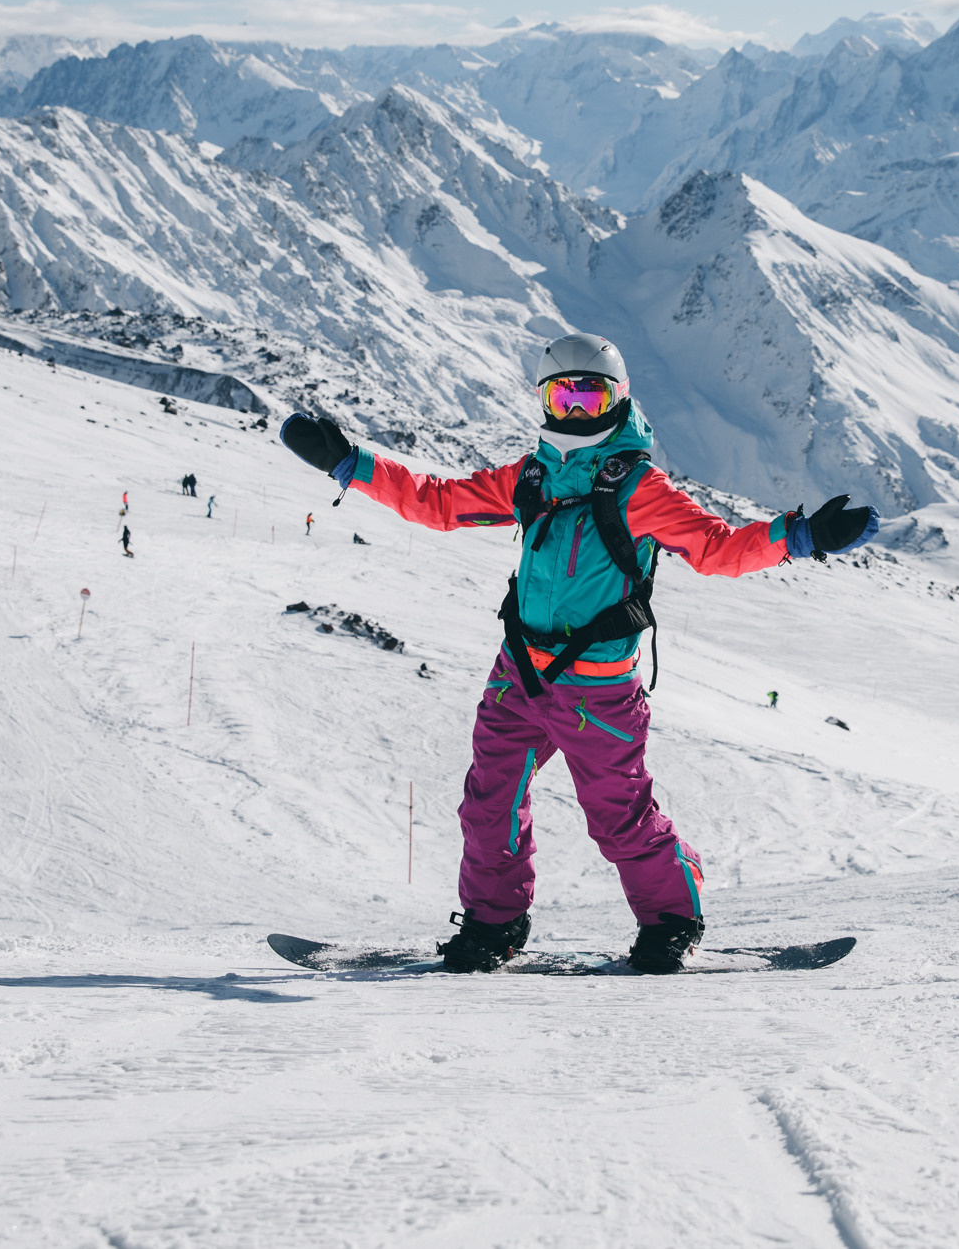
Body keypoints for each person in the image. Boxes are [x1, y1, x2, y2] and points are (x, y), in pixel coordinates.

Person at [279, 332, 881, 975]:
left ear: (616, 399)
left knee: (618, 817)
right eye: (558, 395)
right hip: (519, 675)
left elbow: (716, 549)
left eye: (586, 396)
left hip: (598, 689)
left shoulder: (639, 486)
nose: (572, 411)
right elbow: (439, 502)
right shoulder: (530, 475)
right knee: (489, 803)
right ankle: (493, 925)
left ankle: (673, 920)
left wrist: (804, 535)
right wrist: (350, 462)